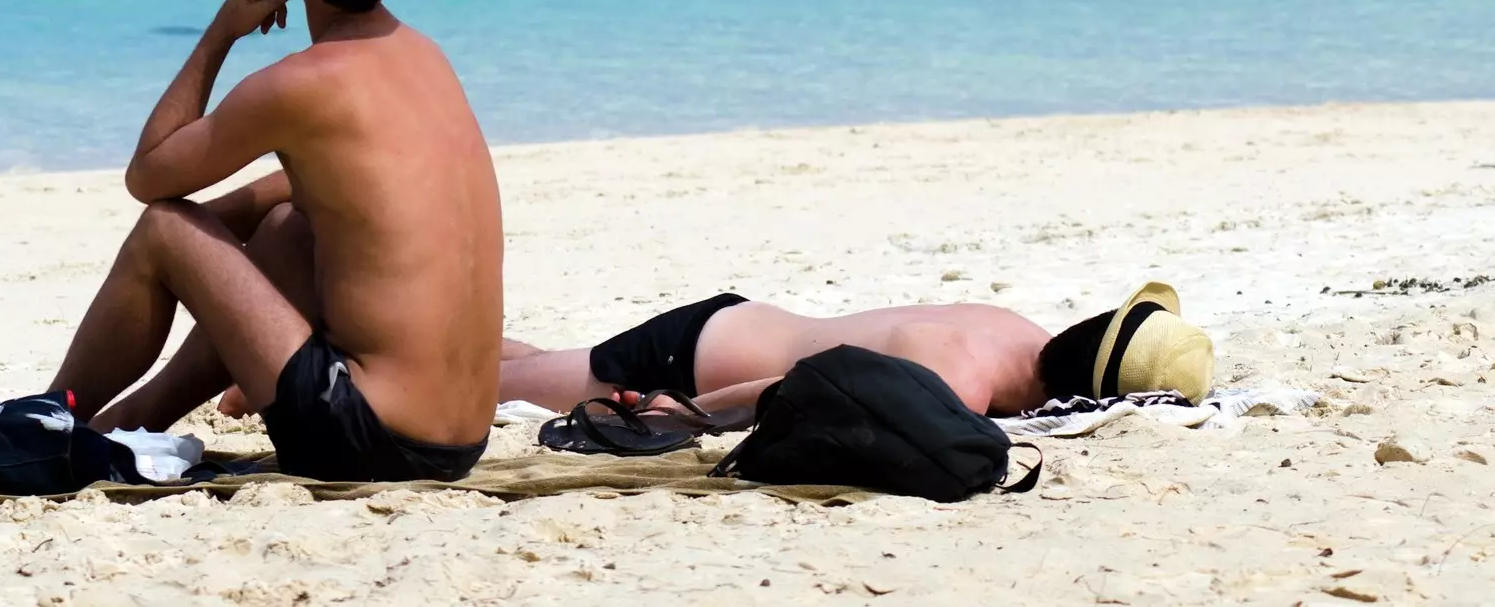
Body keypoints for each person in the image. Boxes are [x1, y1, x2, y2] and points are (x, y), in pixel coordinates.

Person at [47, 0, 503, 482]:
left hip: (369, 437)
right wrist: (221, 237)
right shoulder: (427, 57)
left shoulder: (302, 83)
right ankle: (141, 414)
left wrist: (219, 34)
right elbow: (345, 187)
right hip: (459, 438)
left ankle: (50, 418)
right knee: (292, 223)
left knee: (165, 229)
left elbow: (148, 177)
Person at [498, 283, 1213, 419]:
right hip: (690, 356)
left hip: (737, 326)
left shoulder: (1012, 327)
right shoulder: (958, 381)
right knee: (500, 384)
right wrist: (685, 415)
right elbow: (797, 385)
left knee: (535, 368)